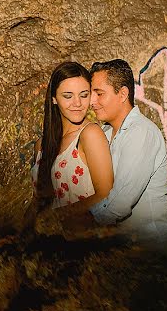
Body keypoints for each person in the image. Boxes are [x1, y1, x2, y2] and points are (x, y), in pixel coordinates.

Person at [88, 59, 167, 252]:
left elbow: (120, 203)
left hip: (154, 250)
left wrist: (81, 221)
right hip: (124, 248)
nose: (91, 102)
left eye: (99, 94)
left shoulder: (140, 132)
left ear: (122, 94)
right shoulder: (103, 133)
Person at [32, 62, 114, 214]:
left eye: (84, 95)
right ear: (54, 99)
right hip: (46, 235)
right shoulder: (41, 146)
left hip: (83, 234)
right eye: (68, 96)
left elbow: (106, 194)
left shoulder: (90, 134)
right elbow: (37, 201)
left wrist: (57, 217)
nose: (77, 103)